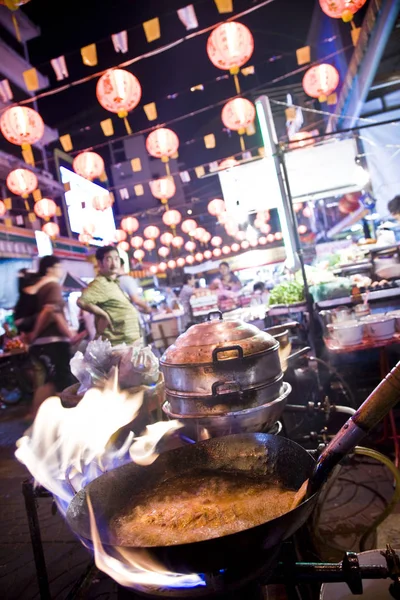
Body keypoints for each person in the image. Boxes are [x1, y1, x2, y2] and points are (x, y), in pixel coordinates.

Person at [23, 256, 78, 418]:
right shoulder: (52, 285)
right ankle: (38, 417)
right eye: (58, 267)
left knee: (51, 381)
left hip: (45, 343)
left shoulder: (40, 287)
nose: (61, 271)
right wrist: (35, 334)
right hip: (52, 343)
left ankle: (38, 417)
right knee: (58, 381)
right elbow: (49, 311)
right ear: (50, 269)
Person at [77, 246, 142, 345]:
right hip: (118, 345)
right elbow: (82, 301)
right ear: (100, 263)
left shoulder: (113, 282)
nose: (114, 263)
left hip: (127, 344)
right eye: (109, 259)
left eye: (116, 258)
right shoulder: (100, 283)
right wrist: (103, 314)